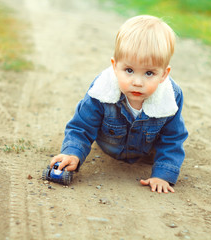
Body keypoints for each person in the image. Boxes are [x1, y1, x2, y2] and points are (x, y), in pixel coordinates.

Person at [50, 15, 188, 193]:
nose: (137, 82)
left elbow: (173, 138)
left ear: (163, 74)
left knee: (168, 140)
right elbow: (82, 126)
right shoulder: (102, 90)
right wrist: (72, 153)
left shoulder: (170, 96)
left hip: (146, 151)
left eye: (149, 73)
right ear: (115, 67)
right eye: (129, 70)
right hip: (109, 146)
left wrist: (163, 175)